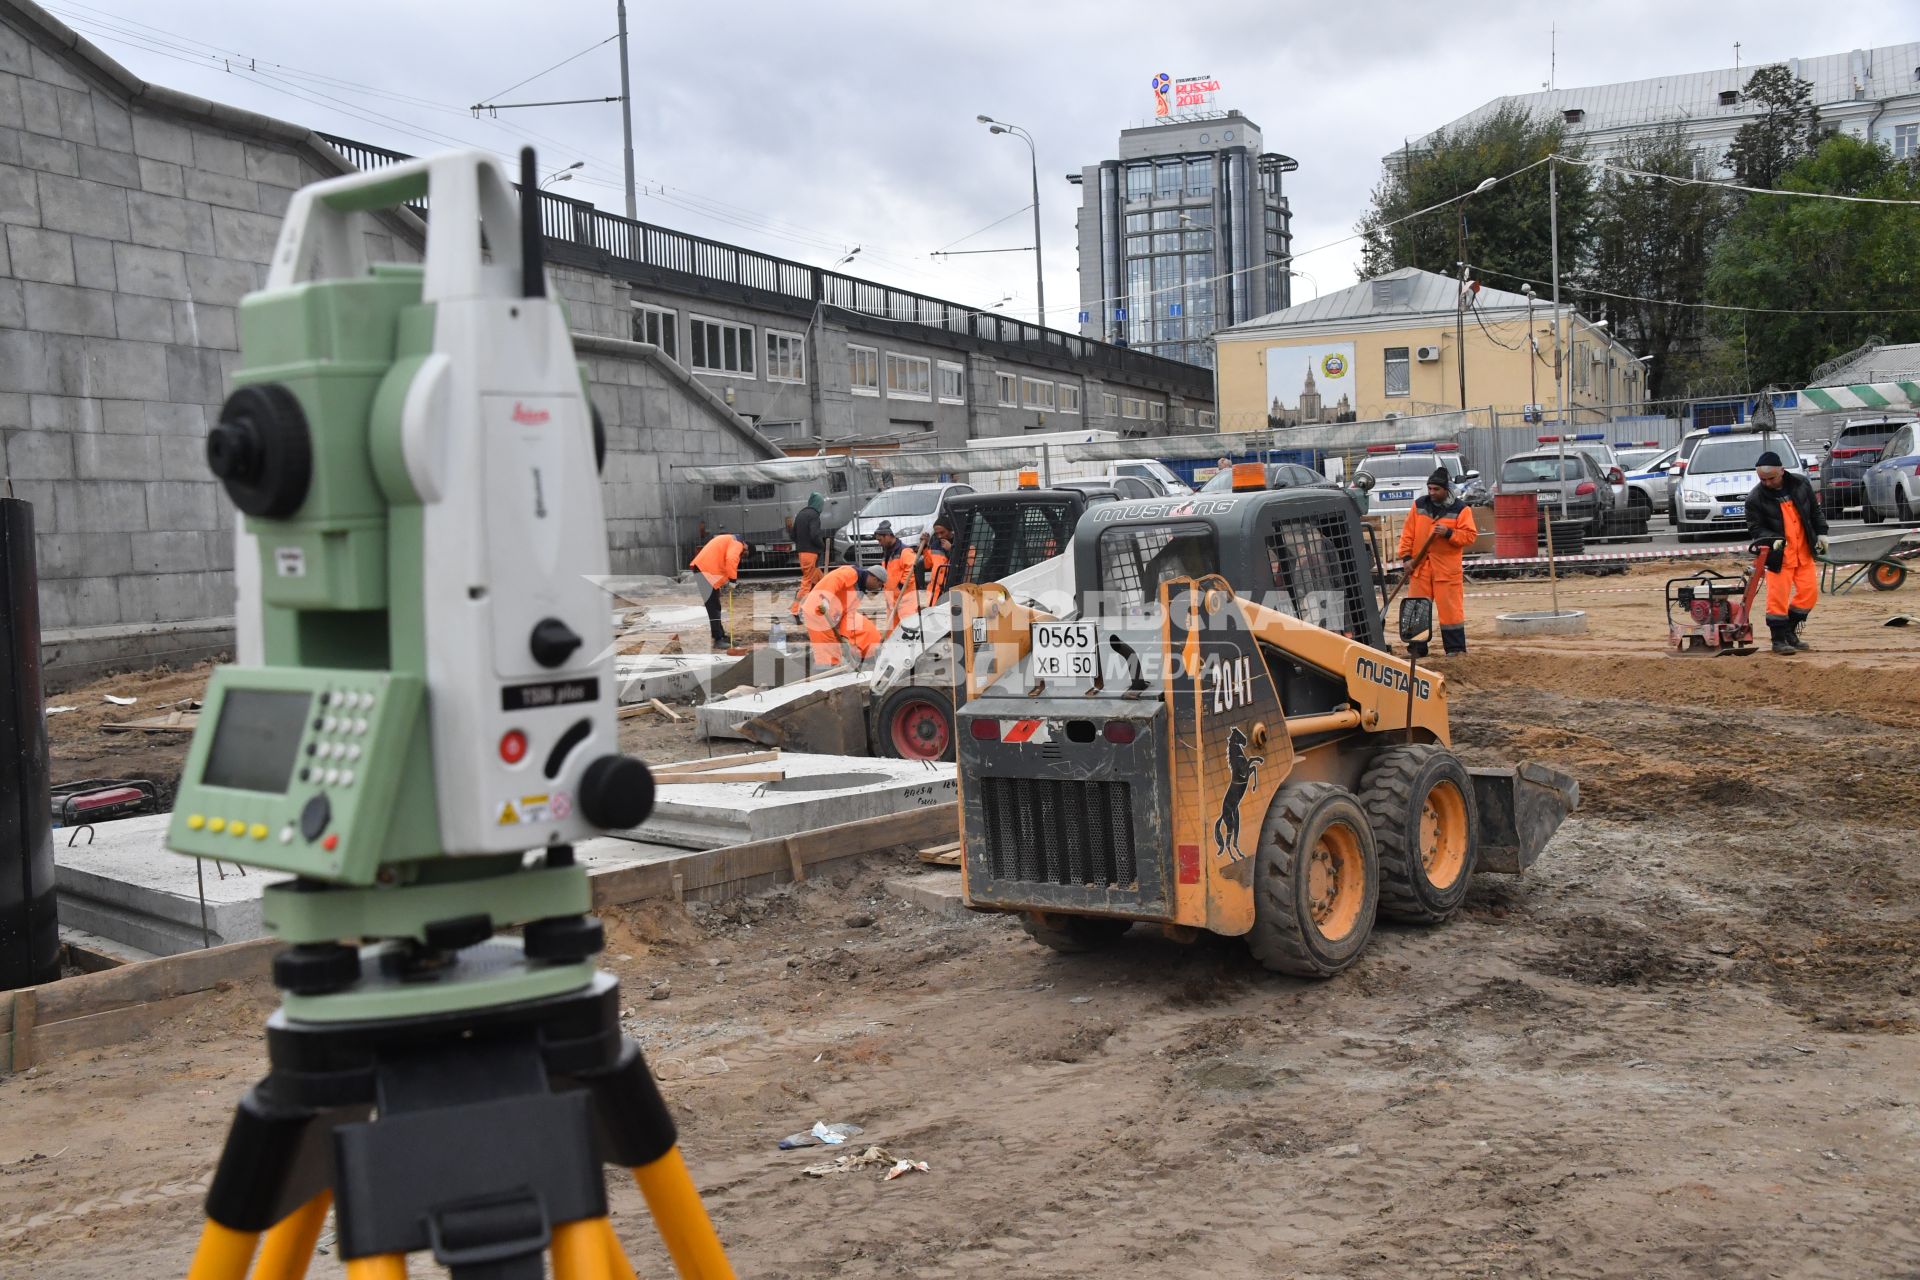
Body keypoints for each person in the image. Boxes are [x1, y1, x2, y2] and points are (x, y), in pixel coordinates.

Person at [1746, 449, 1828, 654]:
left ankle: (1790, 631)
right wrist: (1771, 540)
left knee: (1809, 593)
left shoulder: (1801, 484)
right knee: (1777, 600)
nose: (1766, 483)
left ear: (1781, 471)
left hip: (1803, 552)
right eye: (1762, 479)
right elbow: (1755, 528)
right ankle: (1778, 640)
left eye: (1770, 478)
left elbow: (1815, 512)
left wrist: (1822, 533)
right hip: (1778, 558)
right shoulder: (1755, 498)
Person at [1396, 467, 1478, 657]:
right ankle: (1417, 648)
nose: (1432, 493)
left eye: (1436, 489)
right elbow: (1408, 534)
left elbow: (1469, 536)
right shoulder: (1419, 506)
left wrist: (1449, 533)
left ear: (1446, 489)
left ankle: (1455, 649)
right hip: (1420, 567)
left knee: (1451, 612)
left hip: (1446, 570)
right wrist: (1407, 558)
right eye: (1430, 488)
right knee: (1416, 608)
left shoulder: (1461, 510)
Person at [799, 563, 884, 667]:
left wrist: (845, 637)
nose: (879, 589)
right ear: (874, 578)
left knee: (834, 651)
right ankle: (827, 673)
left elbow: (848, 615)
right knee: (827, 651)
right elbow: (833, 581)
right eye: (880, 585)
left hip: (829, 617)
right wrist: (825, 598)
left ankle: (831, 670)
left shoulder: (859, 592)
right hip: (818, 611)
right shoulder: (851, 573)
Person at [688, 532, 745, 647]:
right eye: (744, 555)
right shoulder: (738, 544)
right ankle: (717, 639)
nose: (741, 557)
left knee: (715, 605)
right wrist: (733, 580)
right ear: (746, 548)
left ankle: (721, 635)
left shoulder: (730, 540)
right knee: (713, 606)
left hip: (706, 570)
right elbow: (731, 559)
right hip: (705, 570)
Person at [788, 491, 825, 619]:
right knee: (807, 583)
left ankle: (820, 608)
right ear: (818, 504)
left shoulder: (801, 514)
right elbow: (814, 534)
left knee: (821, 581)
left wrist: (802, 543)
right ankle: (795, 611)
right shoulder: (814, 515)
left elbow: (793, 535)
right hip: (811, 554)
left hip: (802, 553)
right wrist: (821, 545)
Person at [917, 517, 954, 607]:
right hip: (934, 592)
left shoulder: (961, 544)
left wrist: (952, 549)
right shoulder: (935, 546)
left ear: (950, 531)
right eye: (937, 534)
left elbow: (964, 565)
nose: (939, 536)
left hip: (951, 591)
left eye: (942, 532)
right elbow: (927, 565)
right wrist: (925, 547)